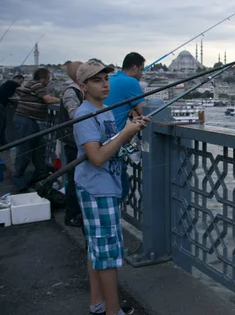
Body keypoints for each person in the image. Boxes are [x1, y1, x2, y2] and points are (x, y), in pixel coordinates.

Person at [73, 60, 149, 315]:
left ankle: (98, 304)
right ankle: (112, 311)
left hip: (105, 185)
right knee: (106, 254)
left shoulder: (104, 109)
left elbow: (112, 143)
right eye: (97, 80)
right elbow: (96, 157)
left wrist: (132, 128)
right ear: (82, 86)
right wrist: (126, 134)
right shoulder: (85, 114)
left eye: (106, 78)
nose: (105, 84)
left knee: (98, 248)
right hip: (97, 189)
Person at [104, 53, 146, 200]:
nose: (142, 74)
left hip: (99, 138)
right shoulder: (131, 82)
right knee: (120, 190)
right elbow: (145, 111)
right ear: (134, 68)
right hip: (113, 142)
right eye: (141, 69)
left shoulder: (111, 79)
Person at [13, 68, 60, 192]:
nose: (49, 80)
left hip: (30, 121)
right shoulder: (37, 85)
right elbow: (48, 99)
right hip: (26, 120)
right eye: (49, 77)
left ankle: (39, 176)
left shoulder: (31, 84)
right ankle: (19, 180)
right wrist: (63, 100)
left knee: (39, 148)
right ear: (44, 77)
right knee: (25, 150)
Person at [59, 61, 84, 227]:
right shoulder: (71, 91)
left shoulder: (76, 91)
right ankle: (72, 215)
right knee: (74, 179)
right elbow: (76, 115)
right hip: (73, 142)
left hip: (77, 141)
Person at [0, 74, 24, 145]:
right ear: (17, 79)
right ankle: (3, 143)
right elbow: (21, 91)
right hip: (1, 106)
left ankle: (3, 143)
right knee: (2, 125)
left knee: (3, 125)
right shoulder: (13, 83)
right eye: (21, 82)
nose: (20, 84)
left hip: (2, 105)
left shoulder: (8, 83)